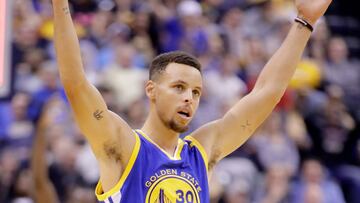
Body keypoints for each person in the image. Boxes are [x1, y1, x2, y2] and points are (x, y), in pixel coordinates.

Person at [51, 0, 332, 202]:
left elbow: (265, 94)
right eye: (179, 87)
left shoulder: (200, 151)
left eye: (196, 92)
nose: (189, 97)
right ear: (151, 90)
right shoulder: (124, 146)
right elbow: (76, 84)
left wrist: (304, 23)